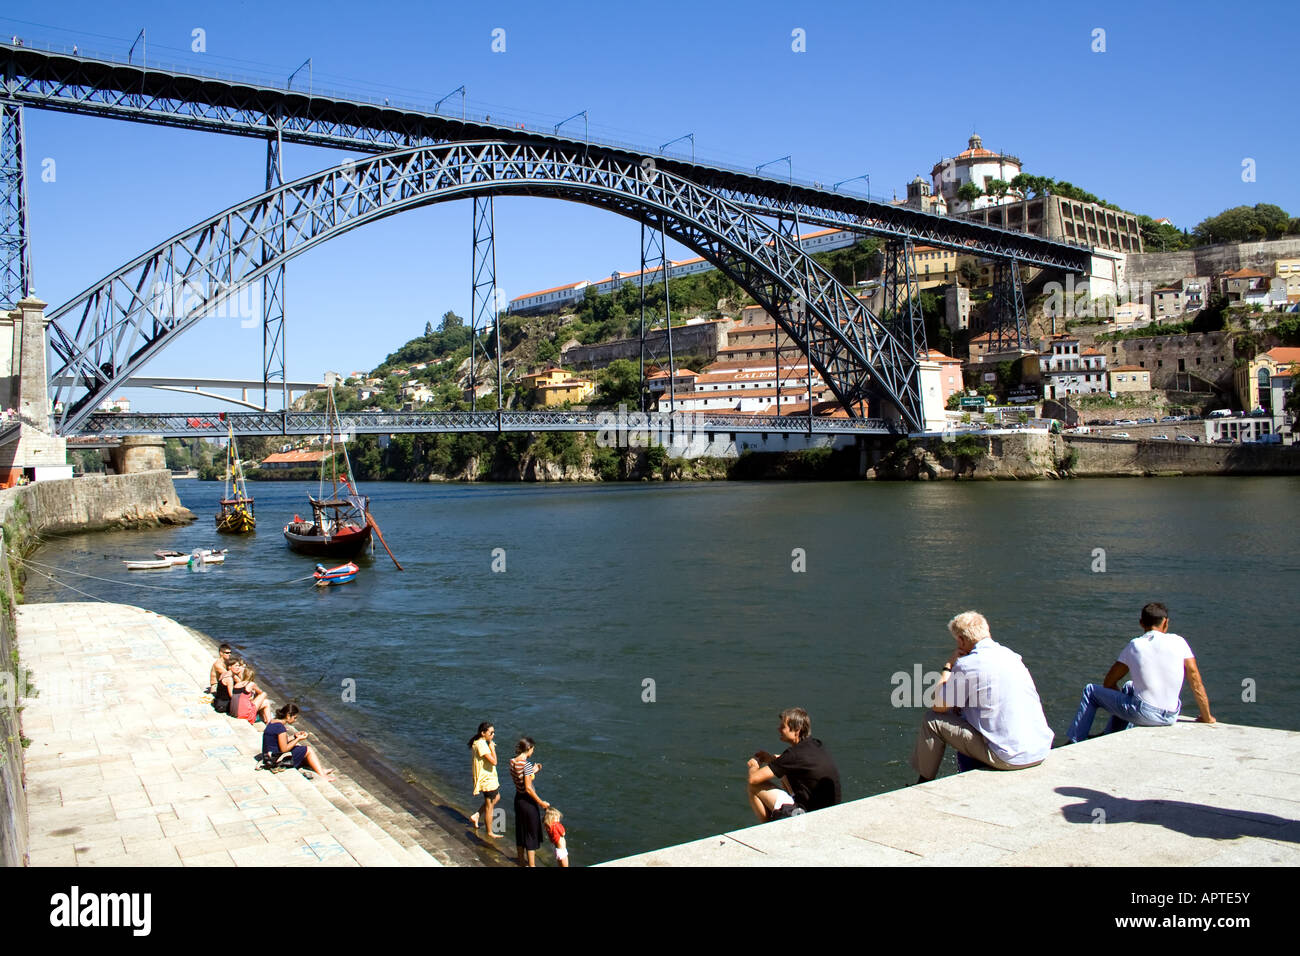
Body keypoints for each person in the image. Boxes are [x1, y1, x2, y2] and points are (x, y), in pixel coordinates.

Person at [910, 611, 1054, 783]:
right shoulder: (1012, 656)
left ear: (961, 640)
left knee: (932, 720)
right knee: (962, 711)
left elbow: (938, 705)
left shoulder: (967, 664)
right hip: (1040, 750)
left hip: (1011, 758)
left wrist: (948, 666)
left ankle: (922, 783)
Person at [1066, 602, 1215, 743]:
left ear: (1141, 623)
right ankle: (1112, 732)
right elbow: (1195, 681)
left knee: (1091, 691)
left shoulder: (1135, 645)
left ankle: (1075, 740)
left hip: (1145, 714)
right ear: (1166, 622)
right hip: (1171, 715)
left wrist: (1123, 706)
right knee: (1130, 686)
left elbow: (1109, 682)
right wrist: (1207, 717)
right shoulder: (1180, 642)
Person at [746, 707, 841, 823]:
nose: (778, 729)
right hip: (829, 812)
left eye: (783, 727)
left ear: (797, 730)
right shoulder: (816, 744)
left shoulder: (793, 755)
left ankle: (767, 829)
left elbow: (753, 779)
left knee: (754, 787)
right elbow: (794, 763)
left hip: (807, 815)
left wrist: (753, 766)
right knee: (784, 773)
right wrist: (772, 759)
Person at [263, 703, 335, 780]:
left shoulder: (273, 722)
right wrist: (298, 739)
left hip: (268, 756)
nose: (295, 720)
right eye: (294, 718)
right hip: (275, 760)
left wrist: (294, 736)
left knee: (300, 750)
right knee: (308, 750)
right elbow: (284, 749)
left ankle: (320, 769)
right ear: (288, 715)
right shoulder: (280, 728)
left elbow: (279, 741)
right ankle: (322, 775)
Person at [510, 737, 549, 867]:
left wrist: (533, 770)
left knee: (520, 830)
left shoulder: (513, 761)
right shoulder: (526, 765)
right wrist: (540, 802)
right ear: (528, 749)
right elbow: (527, 787)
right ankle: (532, 865)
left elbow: (521, 778)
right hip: (528, 802)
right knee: (531, 833)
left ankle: (521, 860)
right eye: (532, 749)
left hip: (518, 799)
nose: (533, 752)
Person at [467, 722, 502, 839]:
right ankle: (490, 832)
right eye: (491, 733)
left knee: (496, 798)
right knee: (489, 807)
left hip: (489, 779)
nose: (493, 735)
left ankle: (477, 815)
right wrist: (492, 748)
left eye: (493, 732)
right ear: (483, 733)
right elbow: (494, 761)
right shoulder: (481, 745)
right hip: (487, 781)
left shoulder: (478, 742)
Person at [223, 658, 273, 724]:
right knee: (265, 698)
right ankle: (269, 723)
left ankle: (266, 720)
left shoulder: (237, 684)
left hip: (233, 712)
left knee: (264, 702)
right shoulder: (251, 684)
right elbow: (261, 693)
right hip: (243, 715)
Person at [208, 643, 234, 714]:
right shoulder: (218, 664)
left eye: (230, 653)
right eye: (227, 653)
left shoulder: (225, 662)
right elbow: (228, 674)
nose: (229, 654)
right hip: (215, 687)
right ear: (221, 653)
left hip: (222, 685)